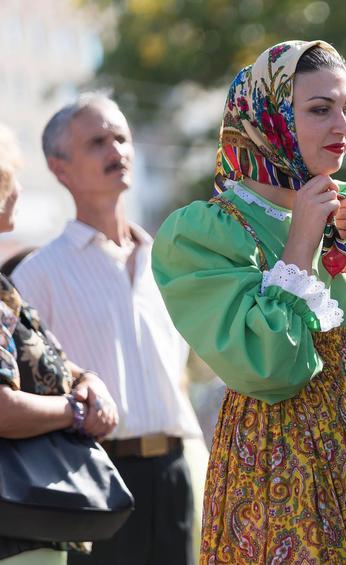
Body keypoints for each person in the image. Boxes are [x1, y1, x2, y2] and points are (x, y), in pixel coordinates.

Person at [151, 41, 346, 563]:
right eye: (319, 110)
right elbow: (268, 366)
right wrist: (301, 240)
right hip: (277, 463)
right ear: (270, 117)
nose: (343, 127)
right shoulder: (203, 233)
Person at [12, 94, 203, 565]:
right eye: (97, 141)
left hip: (175, 473)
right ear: (59, 168)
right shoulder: (36, 276)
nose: (116, 150)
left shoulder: (169, 262)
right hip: (93, 476)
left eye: (121, 137)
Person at [0, 125, 118, 564]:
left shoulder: (4, 288)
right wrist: (77, 412)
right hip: (14, 535)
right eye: (12, 176)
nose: (19, 189)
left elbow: (45, 362)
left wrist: (89, 379)